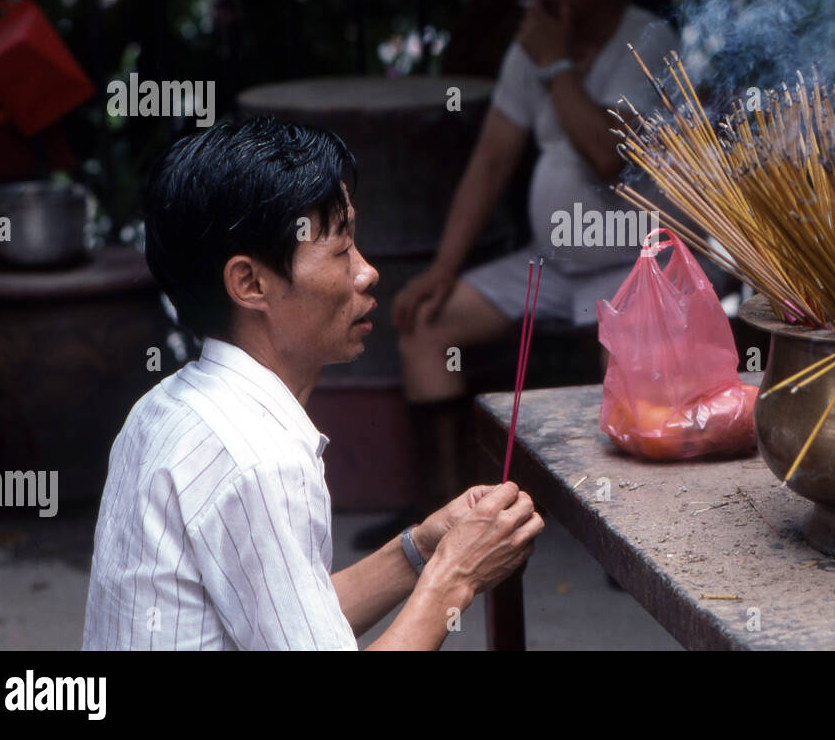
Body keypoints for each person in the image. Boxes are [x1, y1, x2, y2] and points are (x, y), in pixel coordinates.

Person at [83, 117, 543, 650]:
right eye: (342, 251)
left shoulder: (163, 409)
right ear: (251, 283)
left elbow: (295, 619)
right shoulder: (261, 460)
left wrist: (422, 548)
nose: (366, 272)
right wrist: (458, 576)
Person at [391, 0, 679, 502]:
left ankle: (636, 531)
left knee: (628, 367)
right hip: (549, 266)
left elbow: (609, 156)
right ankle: (446, 517)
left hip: (629, 265)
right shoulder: (538, 47)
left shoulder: (648, 41)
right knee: (424, 325)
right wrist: (443, 269)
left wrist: (555, 67)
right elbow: (492, 159)